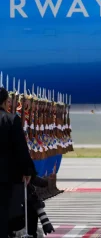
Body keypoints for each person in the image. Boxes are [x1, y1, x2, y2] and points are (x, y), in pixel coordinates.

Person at [0, 87, 36, 238]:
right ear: (5, 101)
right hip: (5, 176)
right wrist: (28, 171)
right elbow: (21, 149)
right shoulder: (11, 119)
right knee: (3, 212)